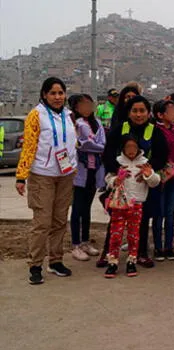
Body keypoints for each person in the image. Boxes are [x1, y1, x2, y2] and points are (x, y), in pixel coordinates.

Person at [15, 77, 77, 285]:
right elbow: (29, 146)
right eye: (53, 93)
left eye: (61, 93)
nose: (58, 97)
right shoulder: (36, 115)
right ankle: (35, 264)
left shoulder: (69, 115)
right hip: (43, 175)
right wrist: (21, 176)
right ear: (44, 95)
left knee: (60, 221)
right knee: (42, 222)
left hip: (66, 174)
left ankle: (56, 260)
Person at [100, 95, 168, 268]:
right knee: (115, 221)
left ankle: (141, 253)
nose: (139, 115)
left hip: (143, 185)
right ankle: (108, 254)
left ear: (148, 112)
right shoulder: (119, 129)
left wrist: (147, 169)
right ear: (129, 112)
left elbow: (162, 155)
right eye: (135, 111)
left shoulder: (155, 131)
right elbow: (107, 153)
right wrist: (117, 172)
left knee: (143, 220)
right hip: (121, 186)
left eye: (142, 111)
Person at [104, 137, 161, 278]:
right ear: (123, 148)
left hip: (137, 204)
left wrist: (149, 175)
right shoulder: (118, 162)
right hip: (119, 204)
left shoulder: (144, 163)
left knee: (134, 235)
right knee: (115, 235)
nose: (131, 150)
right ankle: (112, 261)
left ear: (139, 148)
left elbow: (155, 182)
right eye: (128, 147)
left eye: (134, 147)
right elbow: (108, 179)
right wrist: (116, 180)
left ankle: (131, 260)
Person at [69, 94, 105, 261]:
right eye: (83, 105)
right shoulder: (75, 124)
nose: (87, 108)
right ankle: (75, 244)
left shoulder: (97, 123)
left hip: (94, 170)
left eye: (89, 104)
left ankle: (85, 241)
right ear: (76, 107)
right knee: (77, 209)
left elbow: (99, 145)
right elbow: (79, 144)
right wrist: (89, 145)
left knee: (87, 209)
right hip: (80, 171)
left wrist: (89, 145)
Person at [151, 100, 174, 261]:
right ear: (160, 115)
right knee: (159, 212)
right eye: (170, 110)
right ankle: (157, 246)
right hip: (160, 176)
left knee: (170, 213)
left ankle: (168, 246)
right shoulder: (156, 131)